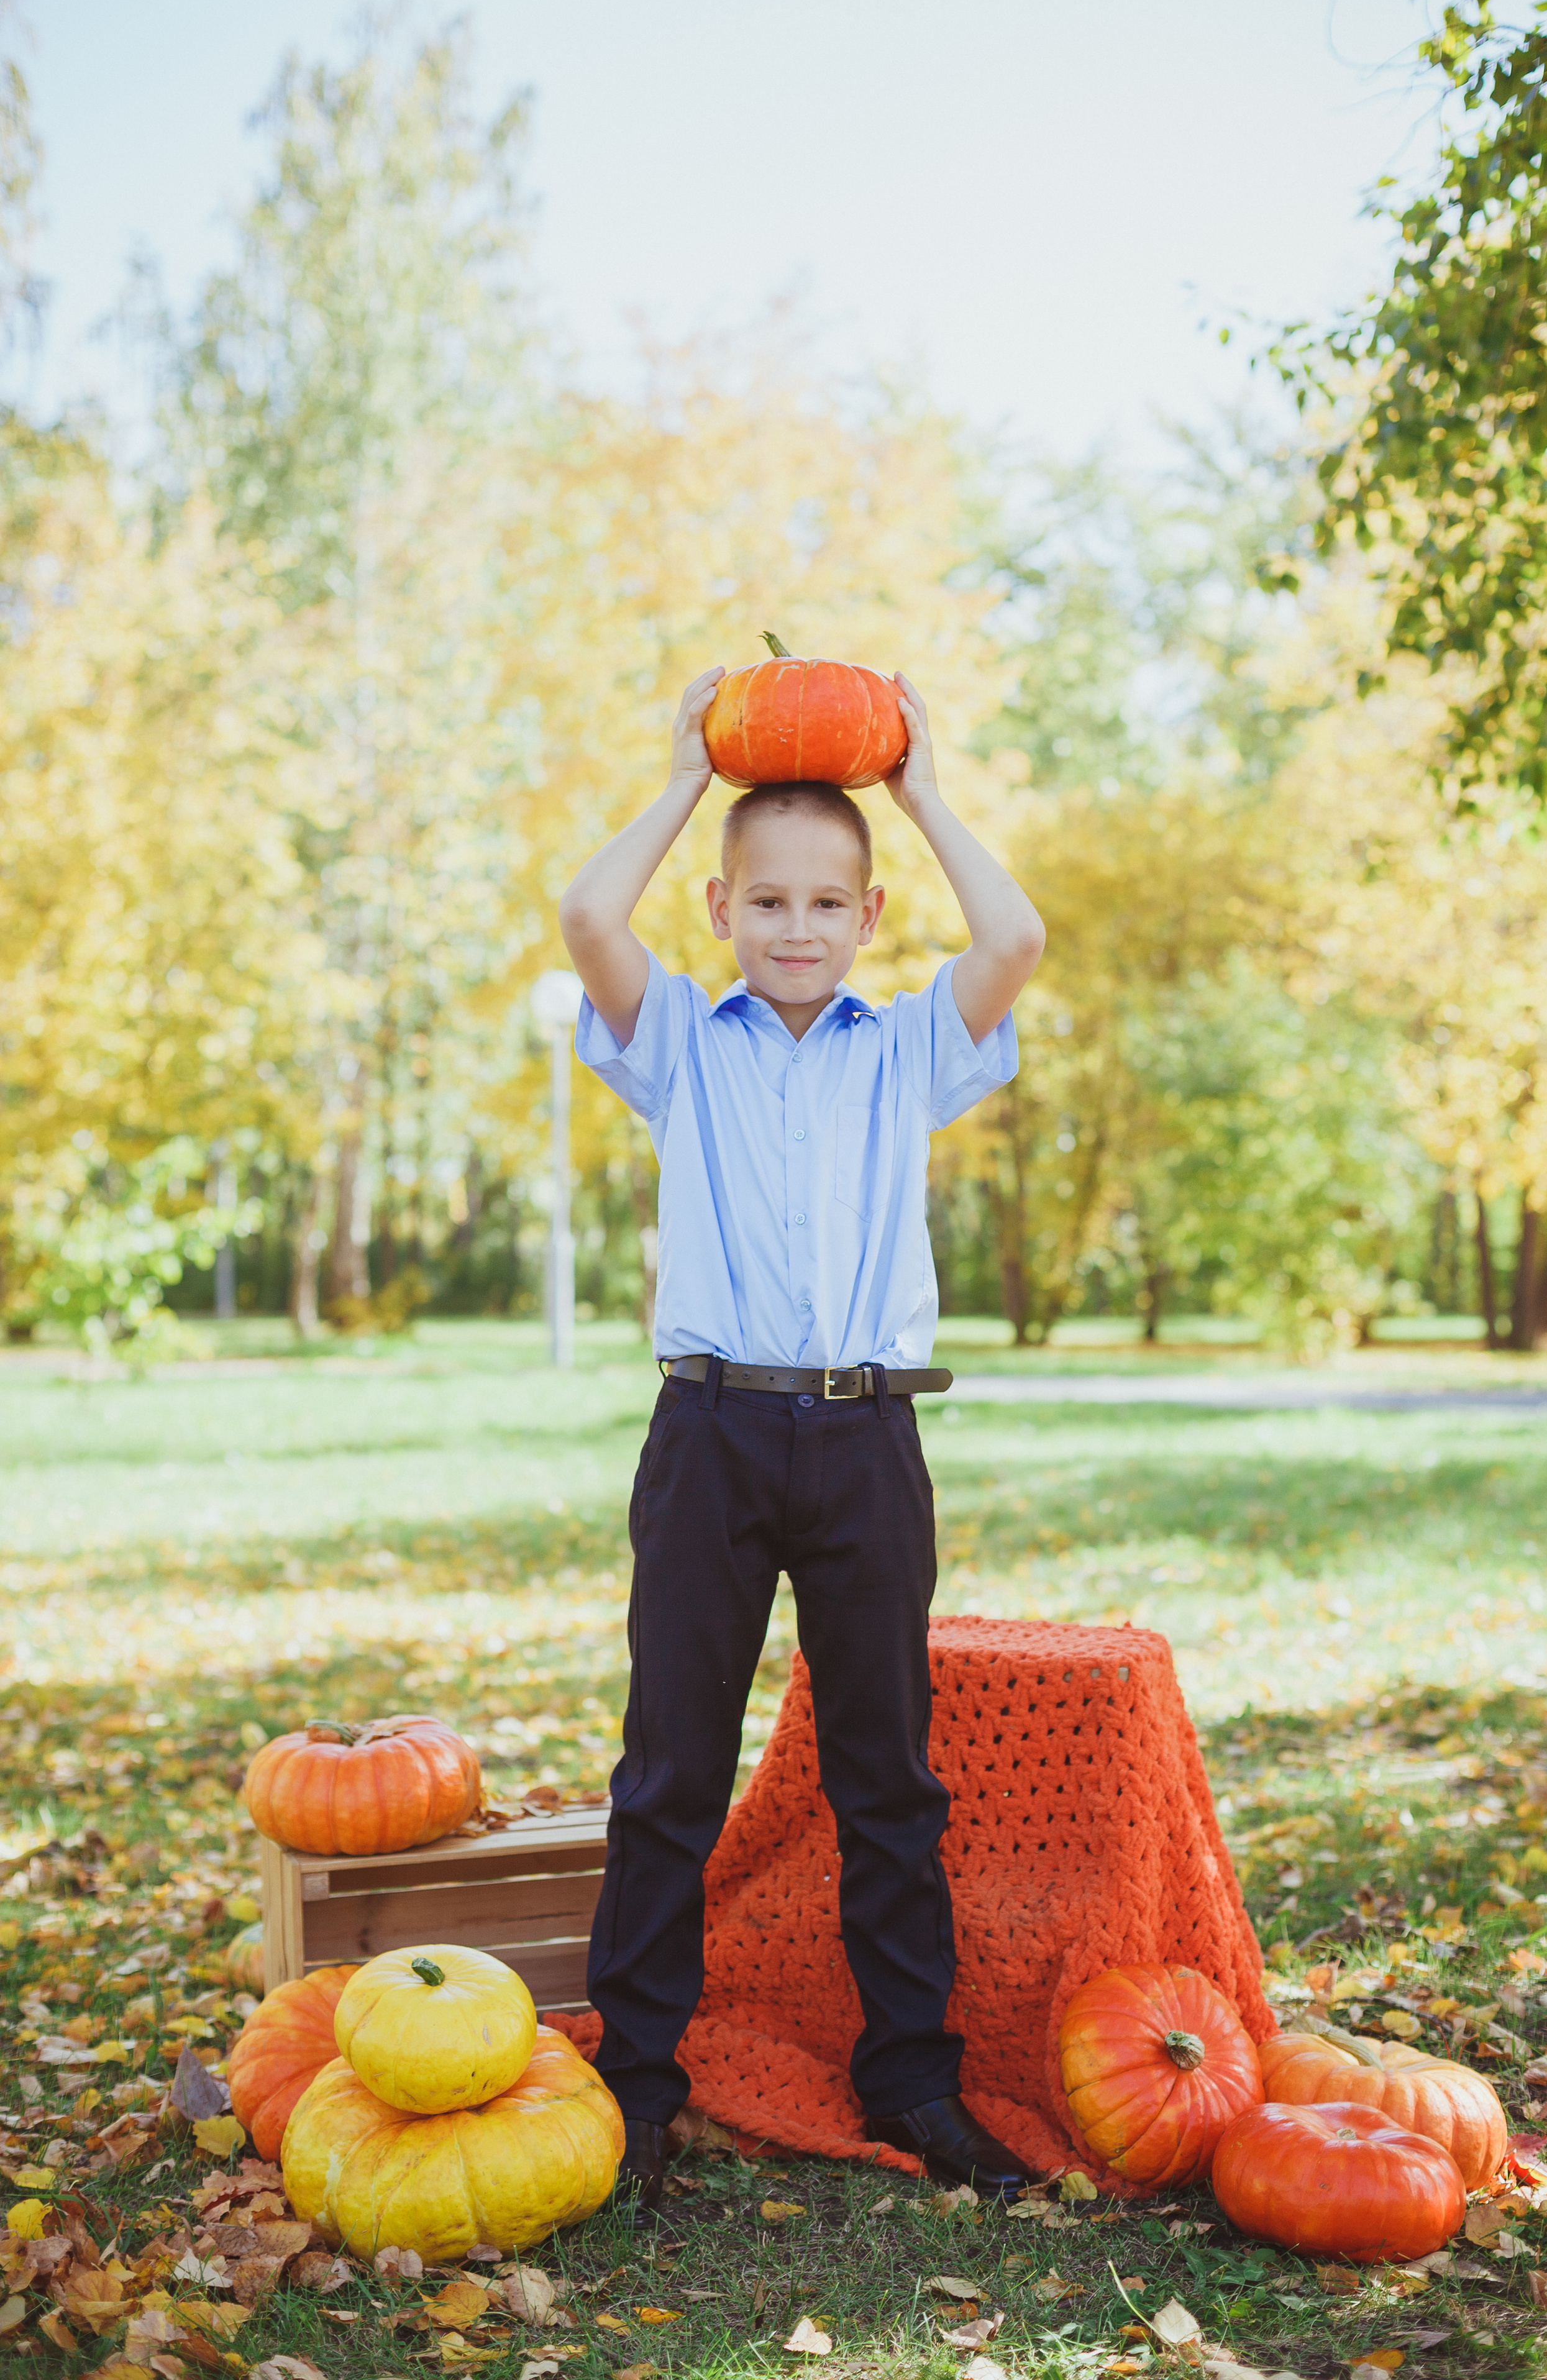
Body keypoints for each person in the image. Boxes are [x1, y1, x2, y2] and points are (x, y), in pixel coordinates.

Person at [558, 662, 1046, 2212]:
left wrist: (907, 782)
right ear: (719, 909)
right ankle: (635, 2087)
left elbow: (1017, 939)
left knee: (885, 1777)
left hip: (862, 1445)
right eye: (762, 902)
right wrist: (694, 767)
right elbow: (584, 918)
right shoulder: (674, 1047)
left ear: (867, 916)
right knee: (670, 1770)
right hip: (707, 1437)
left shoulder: (907, 1048)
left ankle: (913, 2077)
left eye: (824, 904)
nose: (793, 929)